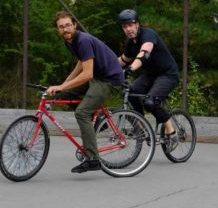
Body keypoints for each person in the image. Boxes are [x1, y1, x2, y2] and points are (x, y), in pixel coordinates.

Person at [49, 11, 125, 173]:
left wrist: (63, 85)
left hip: (108, 79)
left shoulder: (82, 40)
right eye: (61, 27)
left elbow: (87, 73)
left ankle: (93, 159)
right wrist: (64, 85)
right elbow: (81, 64)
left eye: (68, 25)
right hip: (95, 77)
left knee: (81, 113)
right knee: (61, 95)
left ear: (75, 25)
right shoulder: (69, 41)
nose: (65, 29)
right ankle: (93, 121)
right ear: (58, 30)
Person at [116, 9, 180, 146]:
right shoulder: (130, 43)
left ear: (137, 24)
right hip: (151, 75)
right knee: (130, 92)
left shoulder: (148, 34)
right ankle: (142, 127)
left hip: (167, 74)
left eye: (130, 25)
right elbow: (123, 60)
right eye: (124, 26)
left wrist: (131, 69)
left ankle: (172, 132)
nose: (128, 29)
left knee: (150, 102)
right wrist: (106, 66)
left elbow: (145, 53)